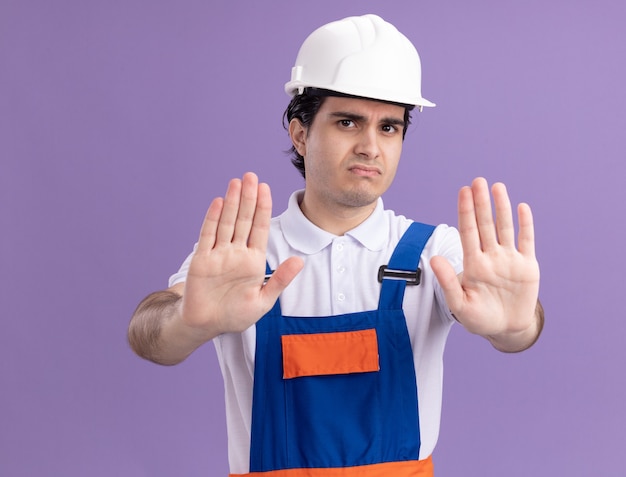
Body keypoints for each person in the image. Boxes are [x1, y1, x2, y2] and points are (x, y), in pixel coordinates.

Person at [128, 14, 543, 477]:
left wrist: (515, 326)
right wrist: (188, 321)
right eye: (348, 122)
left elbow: (519, 330)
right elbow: (151, 337)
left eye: (389, 127)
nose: (370, 146)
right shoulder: (241, 256)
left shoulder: (435, 253)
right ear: (301, 133)